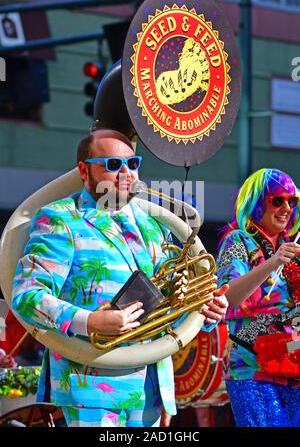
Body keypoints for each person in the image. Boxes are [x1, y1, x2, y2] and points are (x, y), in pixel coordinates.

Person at [12, 128, 228, 427]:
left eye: (132, 163)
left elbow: (167, 307)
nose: (126, 172)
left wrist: (205, 311)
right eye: (112, 165)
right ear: (83, 171)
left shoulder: (154, 226)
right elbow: (26, 296)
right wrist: (89, 321)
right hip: (89, 390)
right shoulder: (61, 218)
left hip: (151, 388)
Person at [217, 168, 300, 427]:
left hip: (294, 365)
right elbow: (227, 299)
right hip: (253, 371)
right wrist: (273, 262)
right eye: (277, 200)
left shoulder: (293, 248)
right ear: (255, 204)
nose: (286, 208)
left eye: (292, 201)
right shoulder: (238, 241)